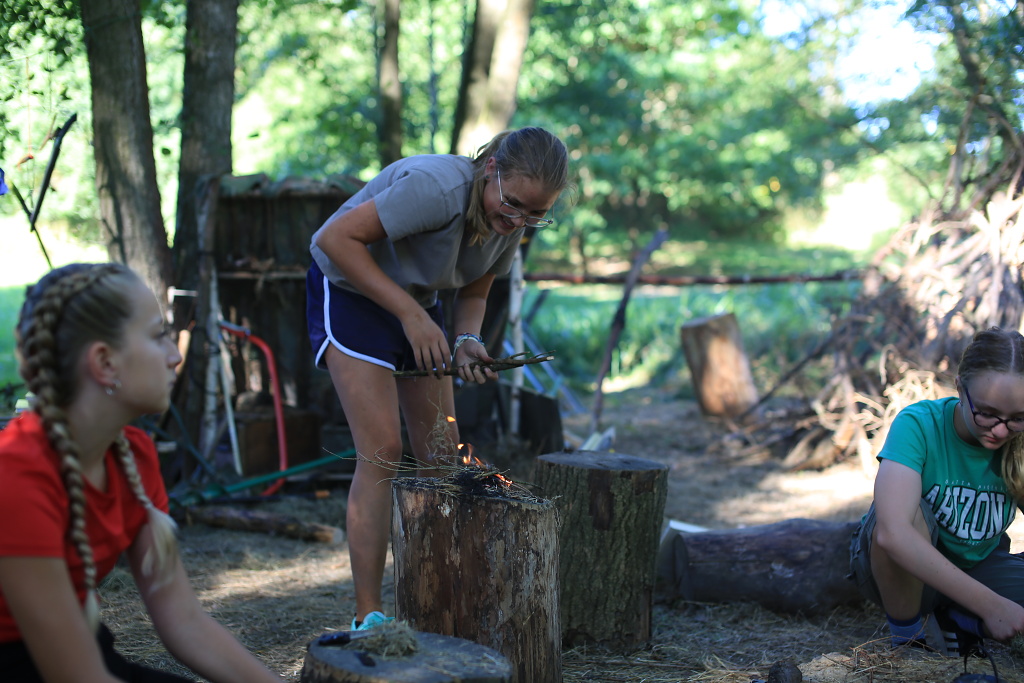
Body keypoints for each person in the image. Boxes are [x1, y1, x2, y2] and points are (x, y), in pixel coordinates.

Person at [306, 126, 572, 630]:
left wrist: (466, 340)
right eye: (513, 205)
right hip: (349, 290)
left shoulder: (512, 220)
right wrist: (410, 316)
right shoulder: (436, 189)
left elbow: (474, 292)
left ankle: (435, 603)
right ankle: (370, 618)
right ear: (491, 168)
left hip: (416, 306)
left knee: (443, 457)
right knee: (382, 450)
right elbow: (332, 239)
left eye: (537, 214)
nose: (519, 221)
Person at [0, 263, 285, 683]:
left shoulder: (133, 455)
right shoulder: (18, 481)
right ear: (105, 362)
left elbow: (185, 622)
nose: (174, 356)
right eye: (157, 337)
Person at [849, 327, 1024, 657]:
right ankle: (909, 639)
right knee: (903, 519)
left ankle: (960, 619)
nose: (1001, 430)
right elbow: (892, 534)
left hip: (982, 566)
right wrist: (991, 606)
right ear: (960, 387)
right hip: (907, 574)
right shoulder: (918, 424)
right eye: (986, 413)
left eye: (1017, 418)